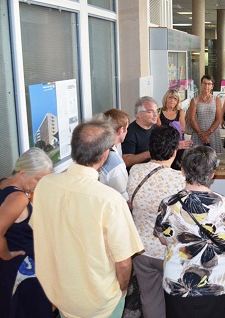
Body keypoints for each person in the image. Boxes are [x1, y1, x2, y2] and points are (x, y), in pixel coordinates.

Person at [31, 117, 144, 318]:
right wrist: (122, 290)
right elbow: (124, 262)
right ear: (104, 155)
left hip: (59, 293)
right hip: (99, 302)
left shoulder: (44, 186)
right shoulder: (110, 200)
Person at [154, 146, 225, 318]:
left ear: (183, 171)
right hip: (220, 282)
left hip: (177, 283)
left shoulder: (168, 204)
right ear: (212, 174)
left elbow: (163, 239)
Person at [127, 126, 186, 318]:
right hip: (170, 251)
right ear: (174, 150)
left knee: (150, 298)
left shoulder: (135, 171)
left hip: (141, 249)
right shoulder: (180, 179)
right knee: (178, 298)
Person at [0, 148, 53, 318]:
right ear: (22, 173)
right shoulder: (18, 198)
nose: (40, 184)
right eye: (38, 179)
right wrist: (6, 254)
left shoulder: (3, 183)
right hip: (23, 269)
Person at [99, 108, 130, 200]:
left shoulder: (97, 148)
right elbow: (124, 198)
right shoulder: (114, 162)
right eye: (126, 129)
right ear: (121, 130)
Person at [189, 74, 223, 153]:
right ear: (201, 84)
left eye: (209, 84)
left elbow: (218, 119)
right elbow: (192, 120)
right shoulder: (194, 100)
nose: (206, 86)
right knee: (197, 160)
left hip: (213, 134)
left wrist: (207, 133)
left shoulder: (217, 100)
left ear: (212, 86)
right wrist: (201, 135)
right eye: (204, 83)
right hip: (198, 134)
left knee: (214, 159)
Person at [122, 96, 158, 169]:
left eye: (156, 111)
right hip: (137, 174)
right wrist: (149, 154)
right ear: (140, 114)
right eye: (150, 112)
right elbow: (126, 161)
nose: (155, 115)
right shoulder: (130, 132)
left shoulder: (156, 128)